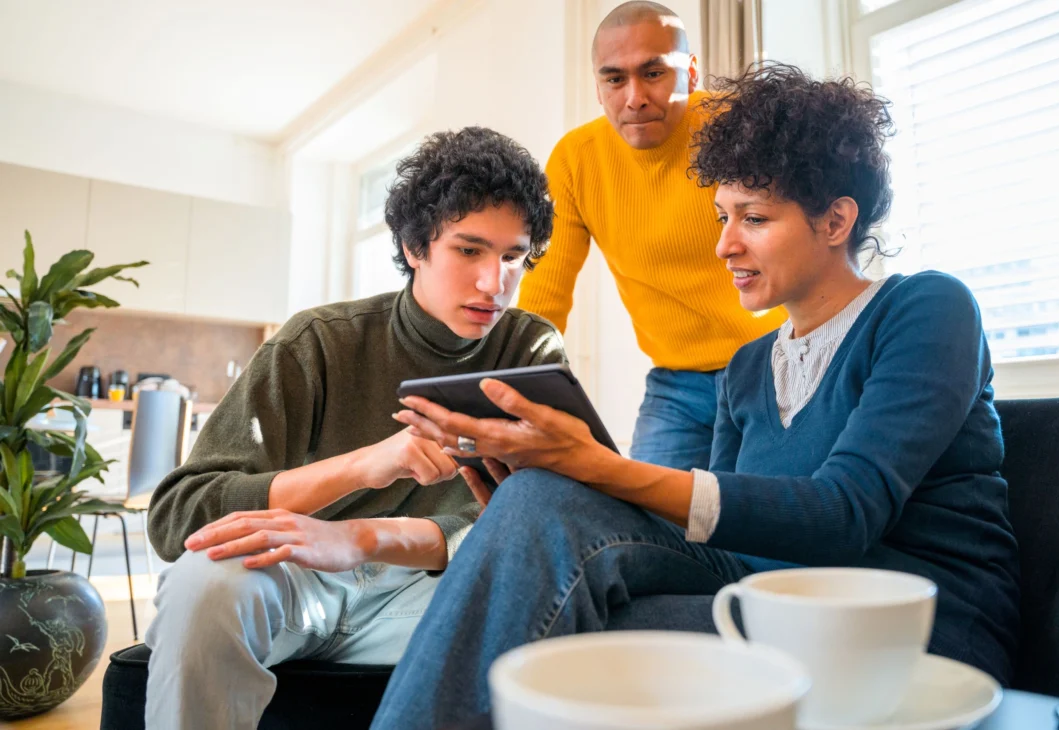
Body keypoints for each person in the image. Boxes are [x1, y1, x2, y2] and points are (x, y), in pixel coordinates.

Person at [373, 63, 1021, 729]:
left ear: (835, 220)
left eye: (754, 218)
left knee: (571, 597)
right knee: (541, 509)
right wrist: (546, 502)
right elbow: (724, 544)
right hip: (768, 610)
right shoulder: (748, 368)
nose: (724, 245)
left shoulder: (926, 309)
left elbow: (845, 514)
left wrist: (596, 467)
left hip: (903, 637)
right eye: (722, 217)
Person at [142, 127, 566, 730]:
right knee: (205, 585)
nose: (493, 283)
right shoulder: (316, 343)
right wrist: (366, 465)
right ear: (415, 246)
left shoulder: (530, 352)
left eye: (512, 257)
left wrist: (363, 537)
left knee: (549, 606)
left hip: (429, 595)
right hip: (296, 580)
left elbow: (544, 527)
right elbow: (177, 519)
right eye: (469, 251)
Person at [518, 1, 786, 470]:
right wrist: (513, 393)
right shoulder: (576, 161)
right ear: (598, 87)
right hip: (676, 384)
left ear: (691, 73)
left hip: (775, 360)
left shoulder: (737, 128)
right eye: (615, 79)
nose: (635, 98)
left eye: (654, 73)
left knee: (766, 507)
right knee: (645, 513)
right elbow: (545, 296)